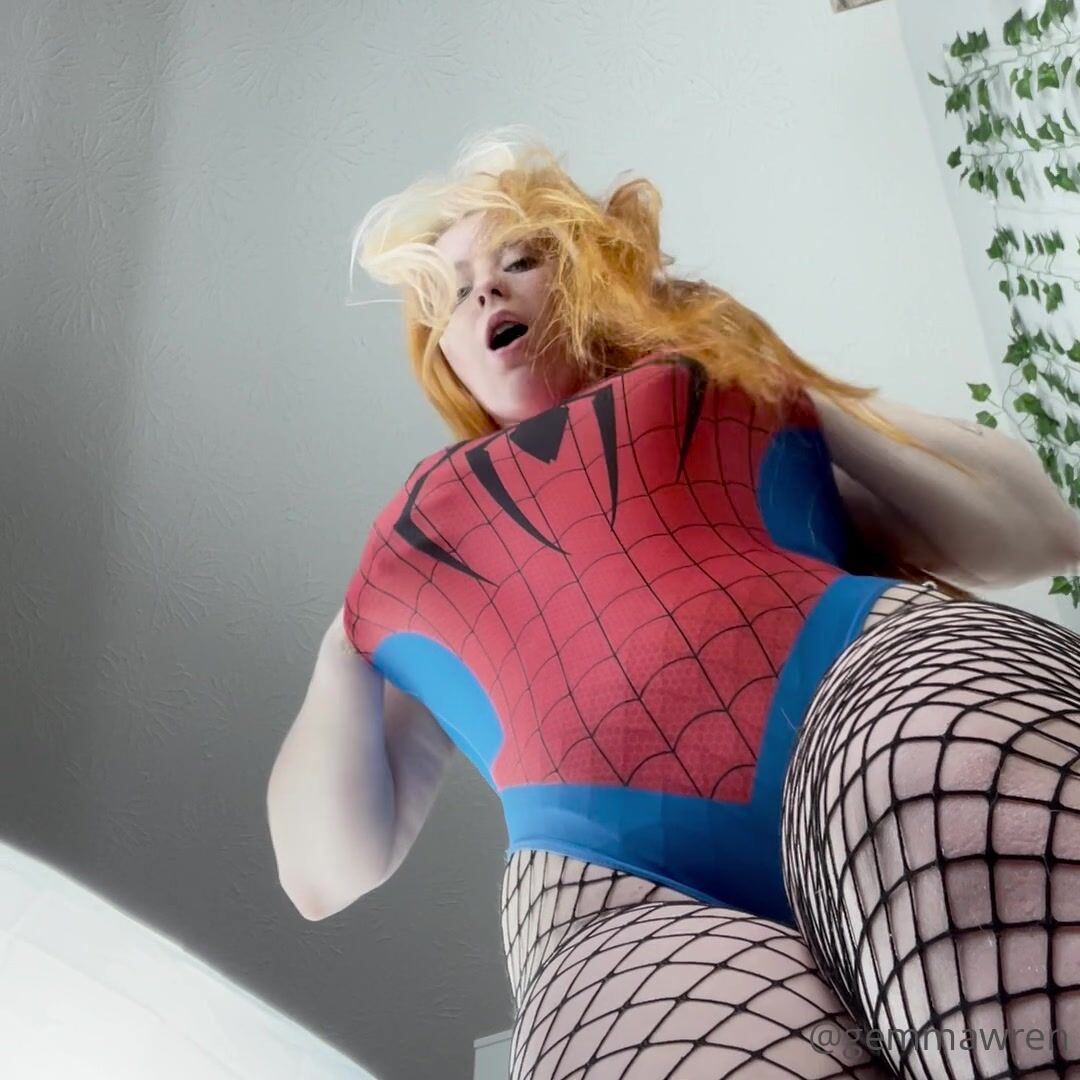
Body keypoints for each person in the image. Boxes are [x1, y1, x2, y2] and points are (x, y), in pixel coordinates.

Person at [267, 129, 1080, 1079]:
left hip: (867, 695)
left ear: (586, 275)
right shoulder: (421, 543)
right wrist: (348, 633)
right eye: (450, 292)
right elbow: (322, 875)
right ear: (443, 351)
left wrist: (777, 376)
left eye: (519, 259)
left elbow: (1037, 528)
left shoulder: (720, 389)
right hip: (601, 886)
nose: (485, 292)